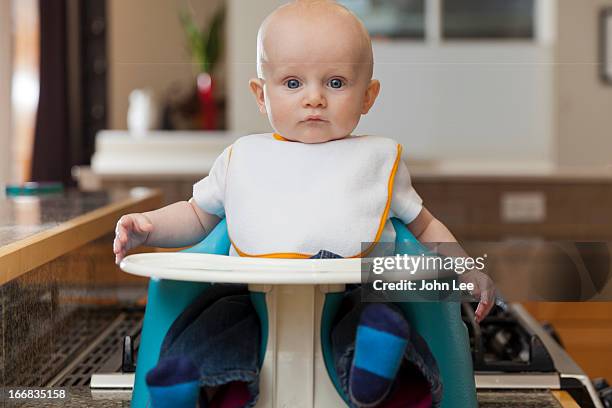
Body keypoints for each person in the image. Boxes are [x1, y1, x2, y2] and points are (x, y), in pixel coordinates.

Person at [113, 1, 495, 407]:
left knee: (382, 318)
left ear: (368, 96)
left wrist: (466, 267)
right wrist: (150, 226)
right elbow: (195, 215)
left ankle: (375, 377)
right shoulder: (241, 158)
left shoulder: (378, 162)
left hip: (348, 293)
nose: (314, 98)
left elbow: (424, 226)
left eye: (335, 83)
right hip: (250, 294)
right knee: (216, 322)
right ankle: (190, 387)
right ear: (262, 95)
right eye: (293, 83)